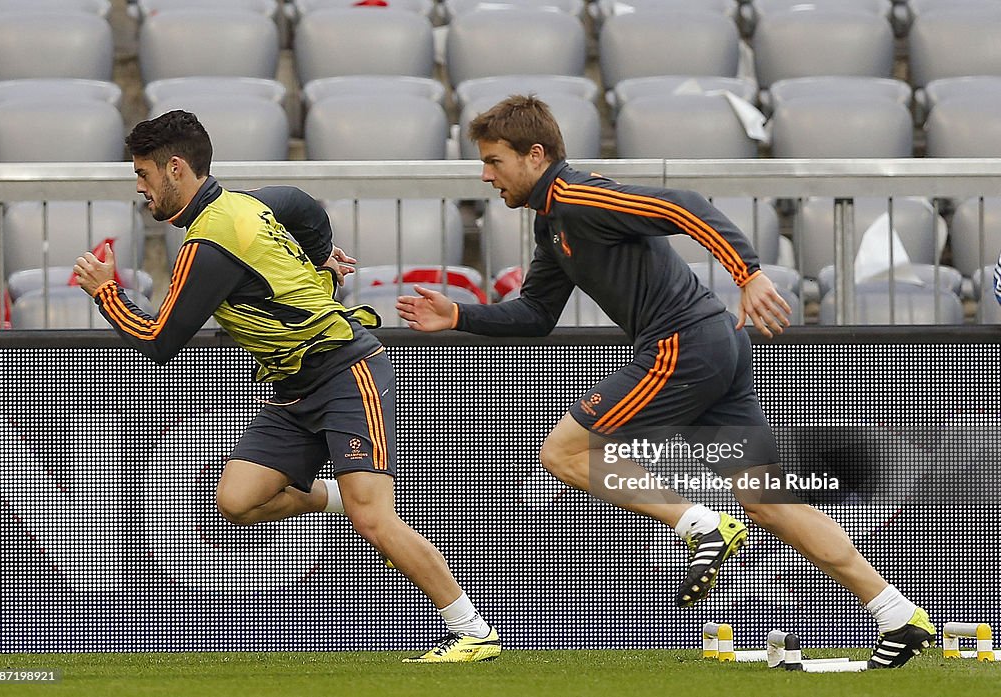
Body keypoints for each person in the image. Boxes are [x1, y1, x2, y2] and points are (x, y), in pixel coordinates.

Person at [396, 95, 934, 668]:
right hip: (716, 345)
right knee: (768, 500)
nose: (485, 176)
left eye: (494, 161)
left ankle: (700, 526)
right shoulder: (552, 224)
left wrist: (747, 274)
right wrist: (459, 316)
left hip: (683, 345)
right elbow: (533, 315)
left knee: (563, 450)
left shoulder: (578, 197)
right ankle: (899, 615)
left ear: (534, 155)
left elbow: (684, 205)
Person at [72, 110, 500, 663]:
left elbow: (157, 341)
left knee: (373, 518)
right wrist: (321, 254)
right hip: (291, 390)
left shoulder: (208, 246)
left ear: (175, 169)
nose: (139, 187)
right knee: (237, 500)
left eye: (144, 174)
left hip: (347, 371)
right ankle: (344, 492)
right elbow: (301, 203)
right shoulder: (246, 203)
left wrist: (106, 292)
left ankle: (472, 629)